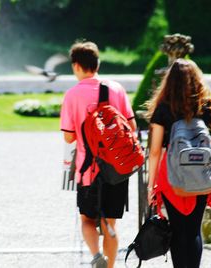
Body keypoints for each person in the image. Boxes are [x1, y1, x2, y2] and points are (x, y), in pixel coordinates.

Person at [146, 58, 211, 268]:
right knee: (193, 231)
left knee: (177, 230)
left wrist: (151, 185)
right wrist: (200, 142)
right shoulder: (206, 106)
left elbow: (155, 150)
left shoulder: (163, 109)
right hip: (201, 174)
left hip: (171, 175)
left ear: (170, 81)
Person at [60, 40, 137, 268]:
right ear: (98, 63)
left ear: (75, 66)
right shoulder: (116, 89)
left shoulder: (72, 95)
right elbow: (131, 128)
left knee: (87, 219)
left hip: (88, 169)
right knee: (110, 223)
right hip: (116, 168)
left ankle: (96, 256)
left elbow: (68, 137)